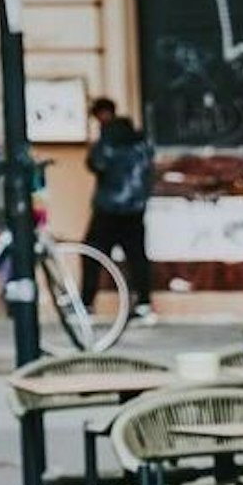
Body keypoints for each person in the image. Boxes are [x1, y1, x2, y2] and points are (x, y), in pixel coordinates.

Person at [81, 97, 157, 326]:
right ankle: (144, 304)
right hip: (134, 209)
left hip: (109, 208)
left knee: (92, 254)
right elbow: (148, 171)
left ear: (101, 115)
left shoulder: (107, 140)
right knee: (137, 258)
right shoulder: (140, 140)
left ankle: (86, 304)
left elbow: (96, 164)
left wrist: (97, 146)